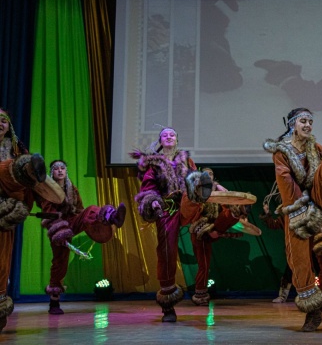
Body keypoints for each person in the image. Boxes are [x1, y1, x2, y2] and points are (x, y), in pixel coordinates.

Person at [262, 105, 322, 331]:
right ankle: (312, 312)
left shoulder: (316, 148)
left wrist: (321, 208)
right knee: (299, 260)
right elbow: (286, 183)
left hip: (320, 202)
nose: (307, 125)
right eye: (303, 121)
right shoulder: (282, 152)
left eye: (310, 122)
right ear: (292, 125)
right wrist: (303, 211)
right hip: (297, 208)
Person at [130, 127, 213, 322]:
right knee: (167, 249)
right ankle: (167, 302)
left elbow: (196, 182)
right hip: (166, 208)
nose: (169, 137)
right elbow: (148, 188)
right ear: (160, 141)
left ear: (177, 140)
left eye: (172, 134)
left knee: (208, 213)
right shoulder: (154, 163)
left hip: (186, 203)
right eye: (165, 135)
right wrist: (153, 201)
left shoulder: (186, 160)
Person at [0, 108, 64, 332]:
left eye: (4, 120)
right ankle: (22, 168)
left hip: (6, 212)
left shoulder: (16, 149)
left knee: (2, 263)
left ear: (9, 126)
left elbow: (35, 187)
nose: (0, 124)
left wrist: (44, 204)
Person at [40, 160, 127, 314]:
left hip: (72, 222)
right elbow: (48, 213)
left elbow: (80, 210)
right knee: (60, 262)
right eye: (56, 169)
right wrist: (59, 230)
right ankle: (54, 302)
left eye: (62, 168)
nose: (60, 171)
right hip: (57, 227)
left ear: (66, 171)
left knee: (91, 210)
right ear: (51, 172)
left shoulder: (72, 189)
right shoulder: (47, 191)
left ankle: (112, 217)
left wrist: (85, 219)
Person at [188, 167, 246, 306]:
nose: (209, 175)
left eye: (211, 174)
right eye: (206, 174)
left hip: (214, 228)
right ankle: (200, 294)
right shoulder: (198, 192)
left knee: (231, 212)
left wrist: (218, 186)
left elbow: (228, 199)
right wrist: (208, 231)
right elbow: (195, 215)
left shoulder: (218, 193)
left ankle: (237, 214)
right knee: (204, 265)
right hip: (200, 232)